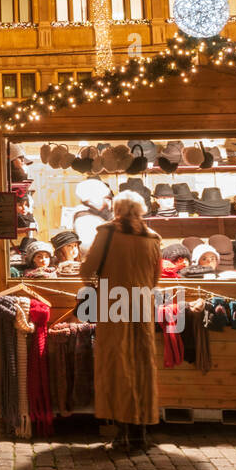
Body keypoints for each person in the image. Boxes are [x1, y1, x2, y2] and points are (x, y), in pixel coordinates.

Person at [79, 190, 161, 454]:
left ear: (116, 210)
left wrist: (98, 287)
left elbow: (87, 269)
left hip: (114, 307)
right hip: (142, 307)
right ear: (140, 211)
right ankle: (140, 433)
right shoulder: (153, 238)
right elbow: (156, 278)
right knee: (142, 365)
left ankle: (122, 433)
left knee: (117, 364)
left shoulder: (107, 233)